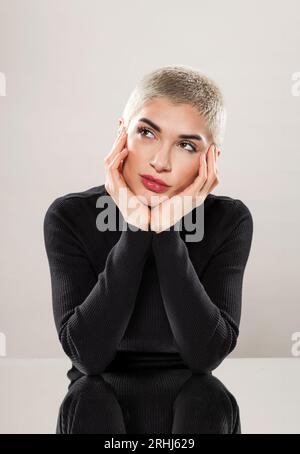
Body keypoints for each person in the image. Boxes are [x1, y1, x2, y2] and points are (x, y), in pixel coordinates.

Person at [43, 65, 253, 434]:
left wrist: (166, 228)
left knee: (202, 396)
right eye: (147, 133)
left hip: (199, 403)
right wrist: (138, 228)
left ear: (210, 159)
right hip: (92, 401)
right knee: (91, 396)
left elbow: (204, 358)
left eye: (187, 145)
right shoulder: (70, 216)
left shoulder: (228, 220)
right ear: (121, 133)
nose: (160, 162)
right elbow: (88, 358)